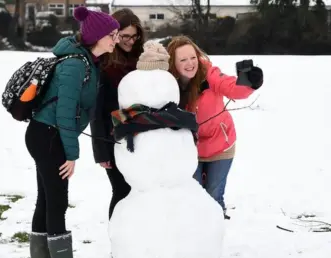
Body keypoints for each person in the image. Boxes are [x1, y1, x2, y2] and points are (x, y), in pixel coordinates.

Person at [25, 6, 119, 258]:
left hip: (48, 134)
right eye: (112, 34)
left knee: (47, 199)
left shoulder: (87, 61)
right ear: (97, 37)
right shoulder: (76, 65)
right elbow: (65, 114)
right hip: (48, 136)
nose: (116, 39)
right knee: (56, 201)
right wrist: (71, 154)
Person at [166, 36, 263, 218]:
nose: (190, 63)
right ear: (174, 63)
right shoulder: (169, 84)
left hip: (220, 144)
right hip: (189, 148)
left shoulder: (209, 74)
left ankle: (214, 236)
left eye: (193, 57)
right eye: (183, 60)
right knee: (193, 196)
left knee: (213, 195)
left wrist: (250, 82)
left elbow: (231, 87)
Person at [90, 8, 145, 220]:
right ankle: (117, 238)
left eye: (134, 36)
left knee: (138, 191)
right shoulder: (104, 63)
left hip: (139, 135)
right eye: (125, 36)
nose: (130, 41)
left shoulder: (142, 60)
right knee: (122, 191)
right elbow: (96, 110)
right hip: (112, 138)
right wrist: (101, 151)